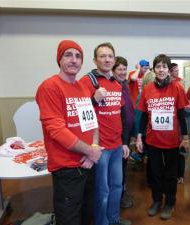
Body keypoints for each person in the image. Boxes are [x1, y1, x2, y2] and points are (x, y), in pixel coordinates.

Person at [35, 40, 103, 225]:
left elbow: (92, 122)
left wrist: (94, 148)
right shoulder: (49, 87)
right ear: (59, 59)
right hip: (67, 168)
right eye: (68, 55)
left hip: (89, 164)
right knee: (69, 219)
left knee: (87, 214)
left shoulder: (82, 87)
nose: (74, 60)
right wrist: (90, 151)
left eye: (78, 56)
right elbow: (56, 129)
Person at [79, 42, 131, 225]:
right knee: (102, 190)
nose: (107, 59)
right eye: (102, 56)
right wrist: (94, 99)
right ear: (95, 60)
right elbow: (80, 114)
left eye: (110, 56)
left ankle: (114, 219)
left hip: (117, 146)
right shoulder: (87, 81)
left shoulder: (117, 84)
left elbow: (121, 115)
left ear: (114, 59)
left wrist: (124, 142)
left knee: (117, 186)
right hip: (99, 148)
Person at [136, 54, 188, 220]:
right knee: (155, 173)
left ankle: (170, 202)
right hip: (153, 140)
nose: (161, 70)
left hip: (172, 141)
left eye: (164, 67)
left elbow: (181, 114)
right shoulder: (148, 89)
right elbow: (144, 115)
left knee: (170, 174)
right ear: (154, 69)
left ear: (168, 69)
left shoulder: (177, 88)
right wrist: (138, 136)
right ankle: (157, 200)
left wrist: (185, 137)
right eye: (158, 67)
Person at [112, 56, 135, 209]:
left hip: (127, 135)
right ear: (113, 71)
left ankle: (122, 192)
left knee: (123, 167)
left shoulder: (125, 85)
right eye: (119, 69)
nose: (122, 72)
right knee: (116, 170)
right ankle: (117, 198)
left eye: (124, 69)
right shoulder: (111, 87)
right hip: (117, 137)